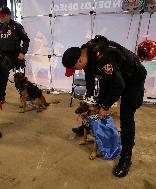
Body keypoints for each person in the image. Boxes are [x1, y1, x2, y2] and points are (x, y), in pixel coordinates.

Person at [62, 35, 147, 177]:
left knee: (126, 117)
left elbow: (119, 85)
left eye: (75, 68)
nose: (76, 71)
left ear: (80, 60)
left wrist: (105, 106)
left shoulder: (103, 58)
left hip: (133, 78)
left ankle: (126, 157)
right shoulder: (86, 53)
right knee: (98, 100)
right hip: (116, 75)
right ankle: (88, 125)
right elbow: (89, 76)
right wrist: (90, 96)